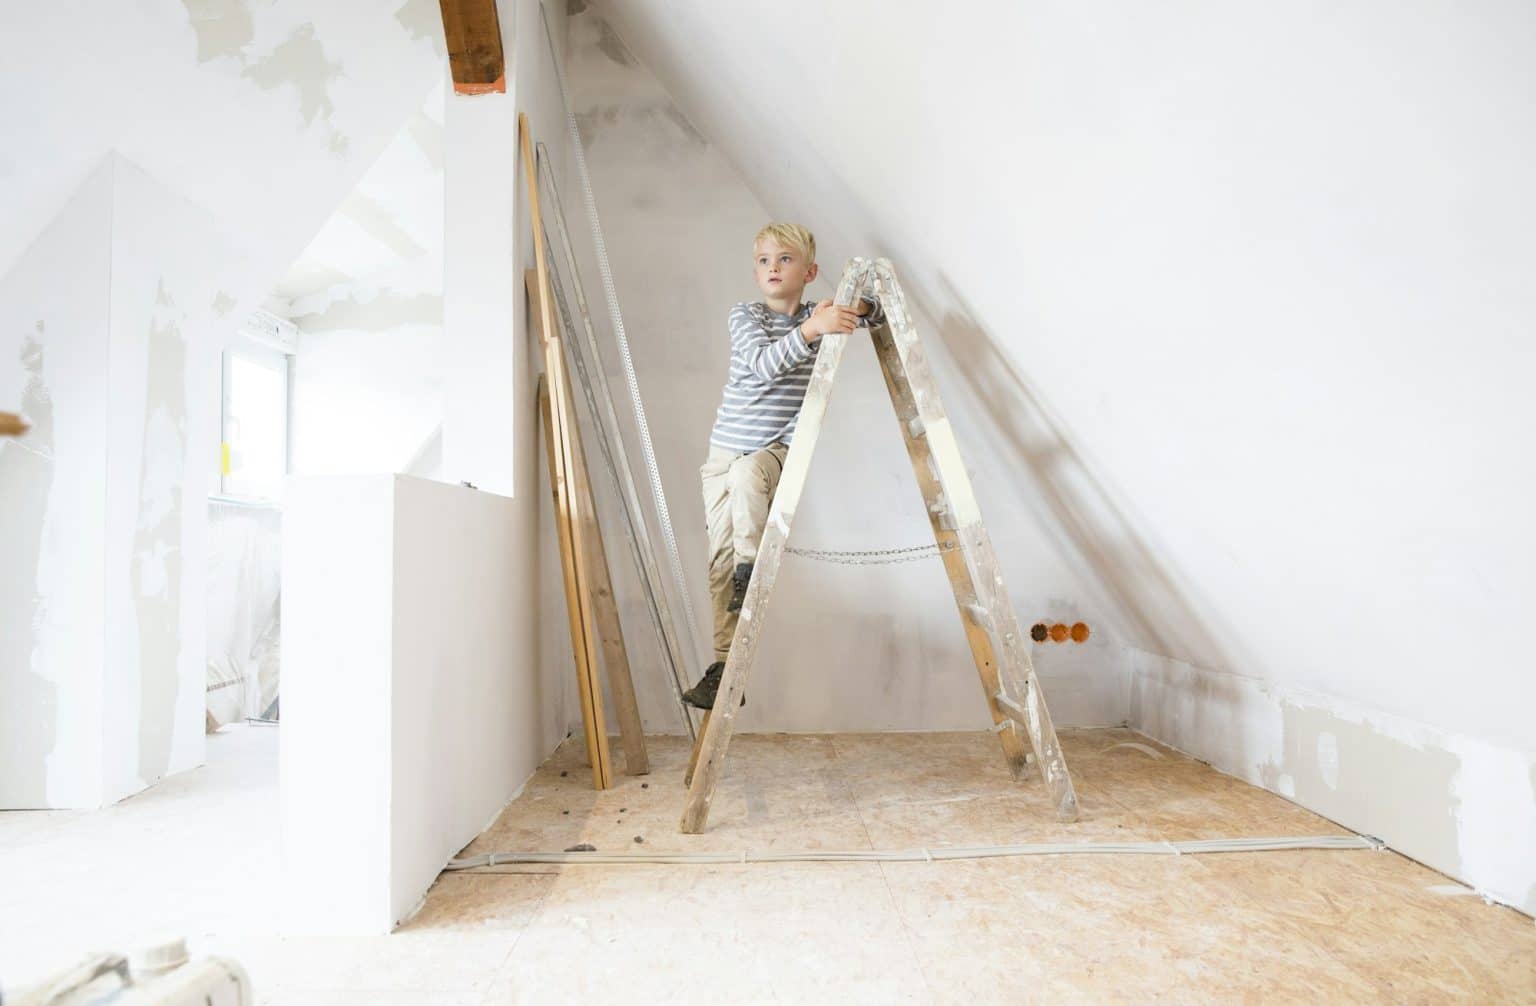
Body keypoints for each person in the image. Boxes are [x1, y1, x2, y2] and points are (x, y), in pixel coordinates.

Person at [681, 223, 880, 709]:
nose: (773, 268)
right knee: (717, 565)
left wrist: (859, 308)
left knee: (751, 478)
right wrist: (813, 330)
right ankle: (726, 665)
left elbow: (869, 317)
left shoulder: (818, 315)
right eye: (765, 260)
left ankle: (752, 568)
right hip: (721, 456)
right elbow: (763, 365)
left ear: (809, 272)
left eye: (785, 259)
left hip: (772, 450)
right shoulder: (746, 316)